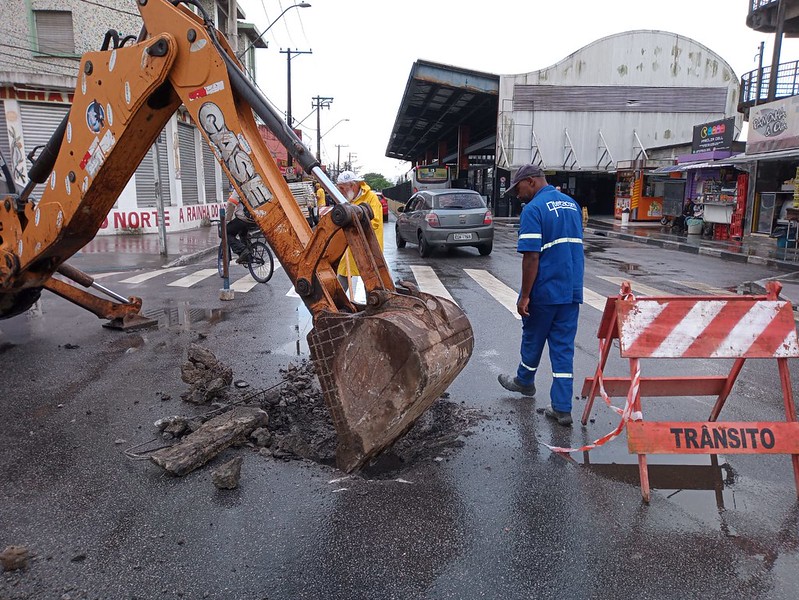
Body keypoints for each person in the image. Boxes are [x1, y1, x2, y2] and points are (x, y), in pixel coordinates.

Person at [498, 164, 585, 427]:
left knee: (533, 337)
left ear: (532, 182)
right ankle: (562, 408)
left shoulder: (533, 210)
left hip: (546, 290)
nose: (517, 194)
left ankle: (524, 382)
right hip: (571, 291)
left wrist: (525, 295)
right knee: (563, 349)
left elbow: (531, 256)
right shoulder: (572, 205)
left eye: (519, 188)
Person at [335, 171, 384, 292]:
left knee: (371, 282)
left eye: (342, 188)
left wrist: (352, 227)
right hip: (349, 248)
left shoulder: (371, 198)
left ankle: (372, 307)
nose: (340, 191)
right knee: (343, 276)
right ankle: (336, 305)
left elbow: (375, 223)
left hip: (368, 248)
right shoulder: (346, 200)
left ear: (352, 185)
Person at [225, 189, 255, 263]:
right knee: (243, 232)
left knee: (226, 232)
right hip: (255, 220)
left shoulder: (239, 189)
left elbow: (231, 204)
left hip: (244, 218)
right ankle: (249, 252)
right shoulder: (254, 185)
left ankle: (243, 250)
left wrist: (227, 219)